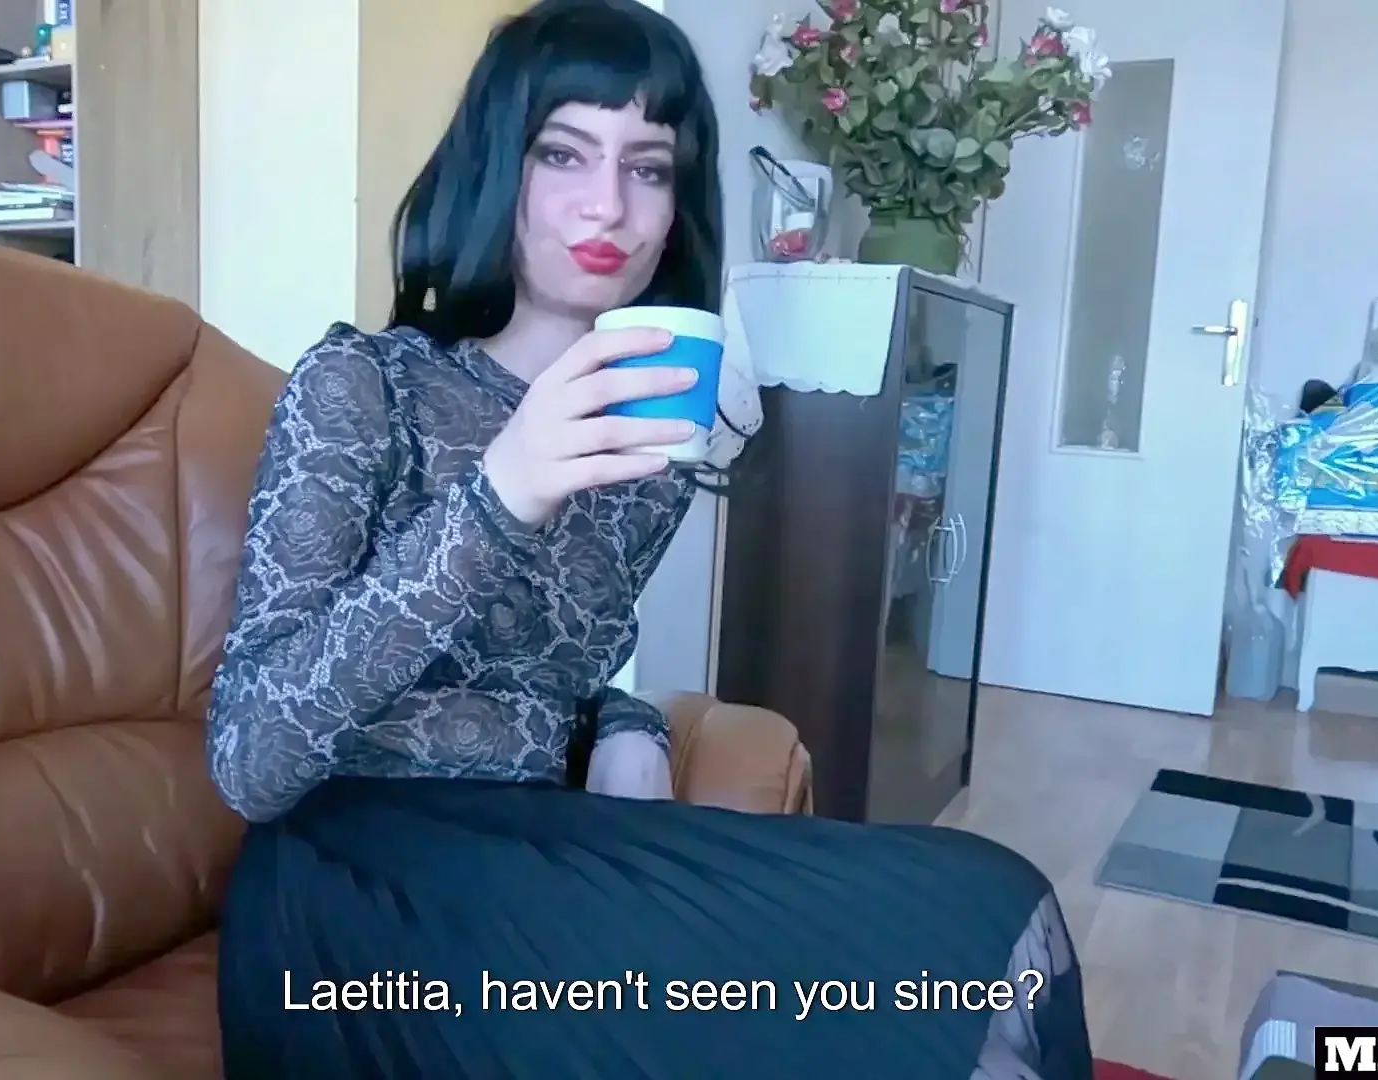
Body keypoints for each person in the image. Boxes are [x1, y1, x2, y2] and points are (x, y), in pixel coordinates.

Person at [208, 1, 1093, 1076]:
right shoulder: (363, 385)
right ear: (498, 167)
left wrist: (629, 723)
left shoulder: (652, 447)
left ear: (679, 206)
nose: (609, 205)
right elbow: (250, 758)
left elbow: (563, 661)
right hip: (349, 890)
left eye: (649, 167)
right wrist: (502, 492)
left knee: (993, 904)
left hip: (539, 850)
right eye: (562, 153)